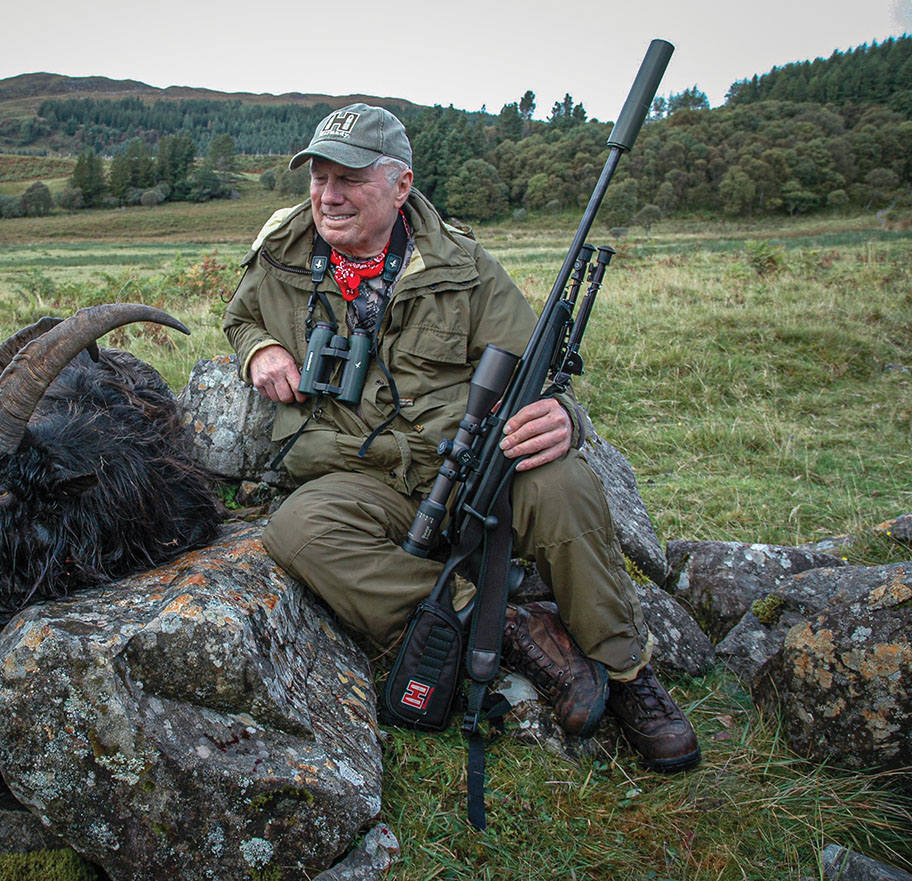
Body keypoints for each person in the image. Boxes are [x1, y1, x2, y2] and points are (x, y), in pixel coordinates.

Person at [222, 103, 699, 772]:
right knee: (296, 529)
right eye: (319, 177)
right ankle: (506, 625)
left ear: (400, 185)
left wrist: (567, 418)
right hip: (358, 476)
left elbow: (539, 376)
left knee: (563, 481)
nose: (328, 196)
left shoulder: (465, 266)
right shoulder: (281, 253)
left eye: (349, 179)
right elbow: (239, 315)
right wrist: (260, 348)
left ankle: (627, 674)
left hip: (469, 470)